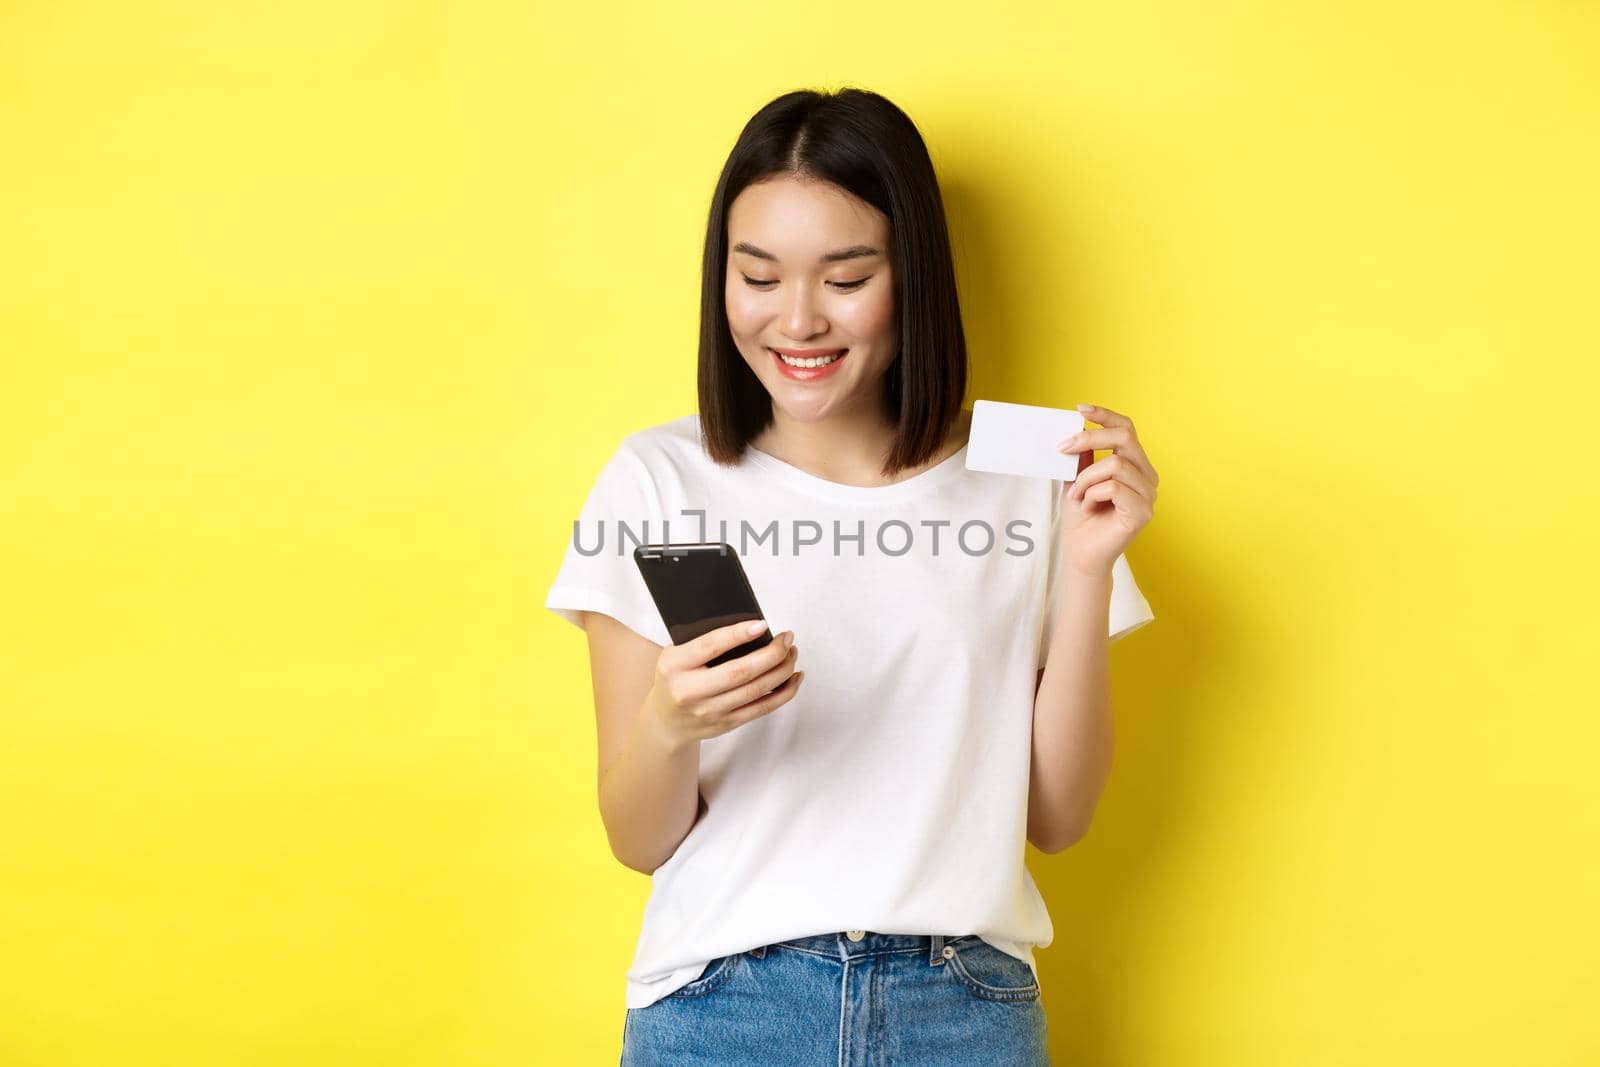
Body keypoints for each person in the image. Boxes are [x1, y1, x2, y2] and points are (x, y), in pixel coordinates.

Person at [545, 86, 1160, 1065]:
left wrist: (1088, 569)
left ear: (910, 275)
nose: (797, 319)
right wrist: (674, 722)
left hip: (963, 1005)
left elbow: (1058, 816)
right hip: (720, 1007)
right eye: (758, 276)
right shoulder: (657, 475)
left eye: (844, 276)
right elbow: (637, 838)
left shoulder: (1024, 464)